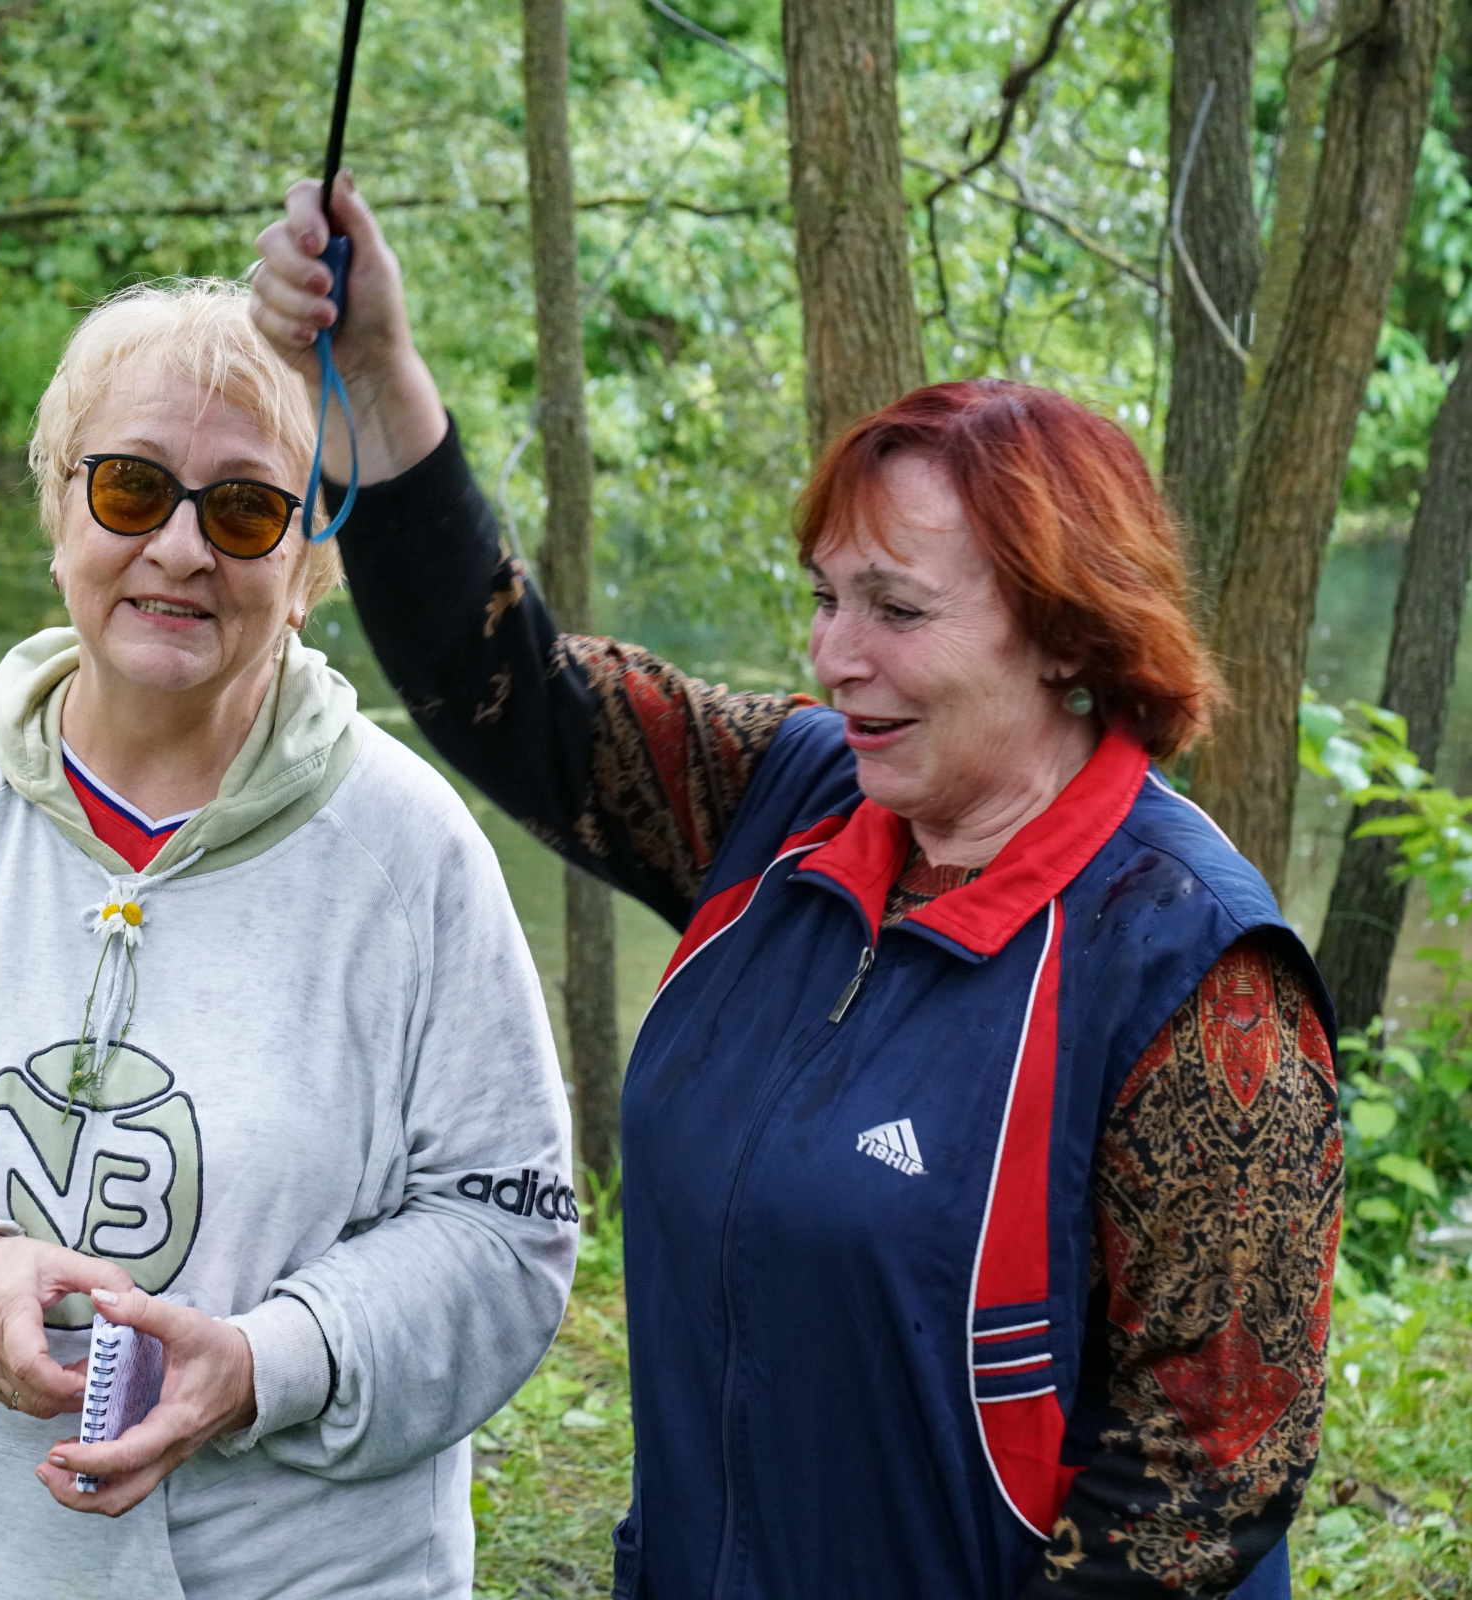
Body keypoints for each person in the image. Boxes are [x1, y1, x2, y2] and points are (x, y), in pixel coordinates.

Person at [249, 178, 1339, 1599]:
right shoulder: (787, 800)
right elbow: (509, 690)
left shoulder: (1193, 968)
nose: (835, 656)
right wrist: (377, 367)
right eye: (826, 598)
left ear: (1069, 637)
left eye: (896, 609)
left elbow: (1206, 1481)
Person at [0, 279, 578, 1600]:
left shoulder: (410, 854)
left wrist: (270, 1364)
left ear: (310, 560)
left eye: (244, 509)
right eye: (129, 489)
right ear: (58, 511)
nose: (179, 548)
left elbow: (505, 1239)